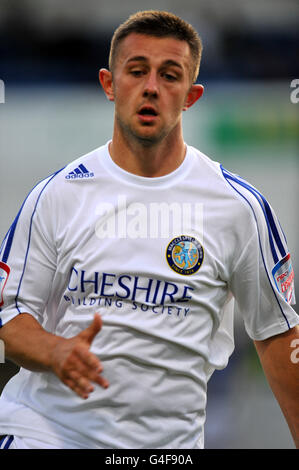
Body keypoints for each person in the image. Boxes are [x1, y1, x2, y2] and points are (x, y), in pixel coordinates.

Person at [0, 10, 298, 450]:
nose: (151, 87)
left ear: (191, 95)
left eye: (170, 75)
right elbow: (8, 315)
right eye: (136, 71)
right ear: (109, 84)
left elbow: (279, 336)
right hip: (47, 436)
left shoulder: (239, 208)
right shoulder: (57, 195)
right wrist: (55, 351)